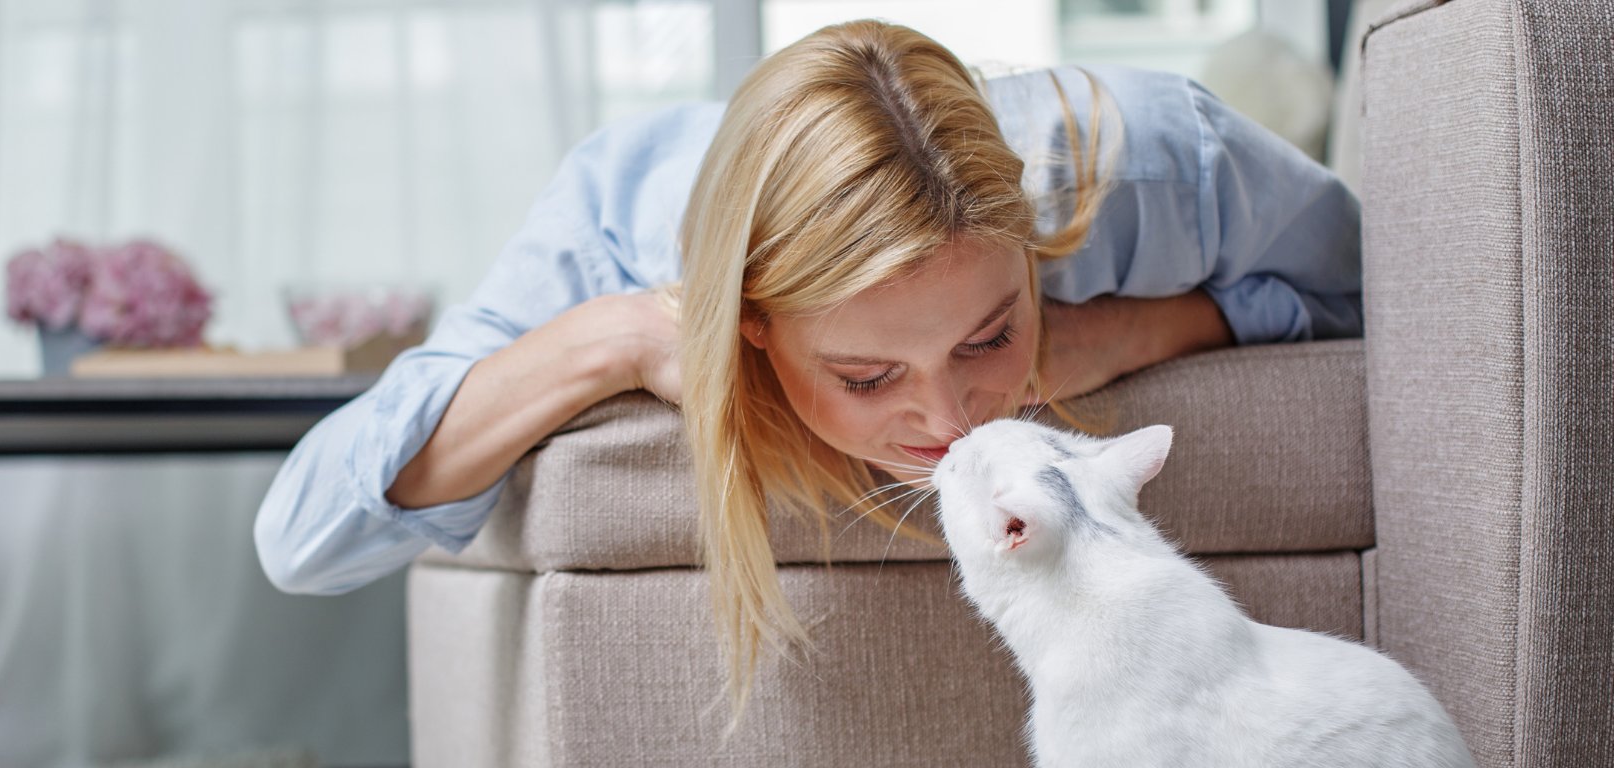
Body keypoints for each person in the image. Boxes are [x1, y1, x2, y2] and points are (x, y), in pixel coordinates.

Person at [254, 19, 1362, 716]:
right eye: (869, 377)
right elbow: (306, 538)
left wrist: (1129, 330)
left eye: (986, 336)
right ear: (749, 325)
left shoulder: (1164, 165)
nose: (948, 421)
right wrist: (625, 337)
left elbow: (1384, 301)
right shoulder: (621, 217)